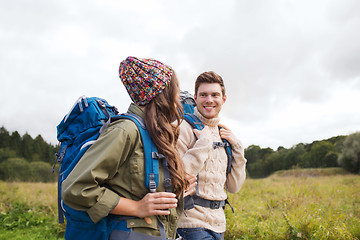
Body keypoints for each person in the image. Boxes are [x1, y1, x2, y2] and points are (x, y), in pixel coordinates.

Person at [62, 56, 192, 239]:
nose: (178, 98)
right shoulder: (125, 130)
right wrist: (137, 207)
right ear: (161, 94)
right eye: (174, 90)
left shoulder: (155, 133)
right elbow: (76, 188)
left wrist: (177, 187)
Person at [176, 71, 247, 240]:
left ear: (223, 99)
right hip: (189, 223)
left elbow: (234, 186)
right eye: (203, 95)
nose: (209, 100)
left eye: (215, 95)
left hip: (219, 224)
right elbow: (176, 178)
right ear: (195, 98)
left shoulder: (224, 133)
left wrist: (237, 147)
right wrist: (203, 145)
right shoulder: (183, 129)